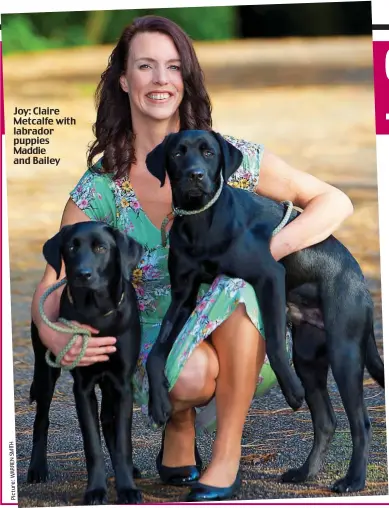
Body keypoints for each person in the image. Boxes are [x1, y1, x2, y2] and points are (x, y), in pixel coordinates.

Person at [31, 15, 353, 502]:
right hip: (152, 338)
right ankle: (178, 423)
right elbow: (53, 278)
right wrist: (52, 329)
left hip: (245, 331)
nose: (161, 79)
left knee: (238, 283)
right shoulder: (99, 188)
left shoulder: (224, 154)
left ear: (186, 79)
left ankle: (226, 456)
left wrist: (265, 251)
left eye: (173, 67)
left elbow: (335, 202)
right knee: (190, 374)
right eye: (145, 66)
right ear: (124, 79)